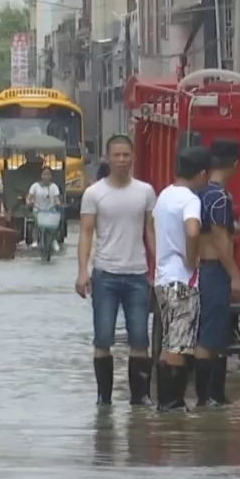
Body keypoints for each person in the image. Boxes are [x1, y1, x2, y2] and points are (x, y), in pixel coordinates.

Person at [76, 135, 156, 406]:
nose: (122, 160)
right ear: (108, 158)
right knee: (103, 337)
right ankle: (104, 397)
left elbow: (150, 231)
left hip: (137, 273)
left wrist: (158, 267)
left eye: (126, 155)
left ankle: (140, 395)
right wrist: (82, 271)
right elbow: (86, 233)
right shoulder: (94, 193)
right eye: (116, 155)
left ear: (133, 157)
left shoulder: (145, 191)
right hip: (105, 274)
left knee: (139, 336)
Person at [153, 146, 211, 411]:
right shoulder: (191, 200)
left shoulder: (164, 195)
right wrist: (191, 259)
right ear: (201, 174)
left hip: (163, 279)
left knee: (168, 340)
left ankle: (165, 400)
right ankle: (171, 402)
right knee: (179, 344)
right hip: (182, 281)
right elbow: (193, 230)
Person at [196, 139, 240, 407]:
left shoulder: (198, 192)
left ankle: (209, 396)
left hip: (198, 269)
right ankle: (209, 397)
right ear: (236, 164)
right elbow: (219, 241)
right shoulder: (219, 196)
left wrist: (237, 227)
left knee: (209, 334)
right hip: (213, 269)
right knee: (211, 337)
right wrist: (236, 275)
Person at [27, 165, 62, 252]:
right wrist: (29, 201)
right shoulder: (35, 186)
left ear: (51, 176)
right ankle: (35, 240)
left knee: (55, 224)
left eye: (48, 174)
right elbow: (29, 197)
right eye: (44, 174)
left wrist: (58, 202)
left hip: (50, 209)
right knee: (36, 222)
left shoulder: (54, 186)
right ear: (41, 175)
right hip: (38, 209)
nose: (46, 176)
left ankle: (54, 241)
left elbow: (56, 198)